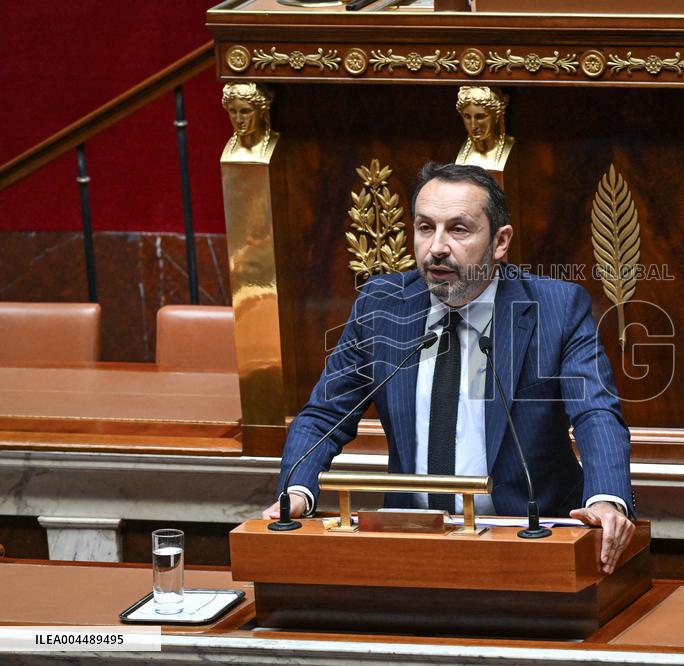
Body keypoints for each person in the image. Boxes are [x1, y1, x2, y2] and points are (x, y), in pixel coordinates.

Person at [263, 162, 635, 573]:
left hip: (528, 539)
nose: (437, 247)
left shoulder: (556, 308)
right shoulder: (381, 305)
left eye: (458, 229)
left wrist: (606, 498)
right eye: (425, 228)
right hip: (410, 540)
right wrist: (297, 489)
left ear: (500, 241)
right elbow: (324, 415)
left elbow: (595, 412)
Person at [454, 86, 515, 171]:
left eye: (480, 117)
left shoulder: (510, 147)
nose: (473, 126)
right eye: (467, 117)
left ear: (497, 115)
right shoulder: (462, 151)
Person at [221, 82, 275, 162]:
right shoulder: (229, 150)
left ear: (261, 111)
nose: (238, 120)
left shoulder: (275, 143)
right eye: (233, 111)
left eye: (245, 111)